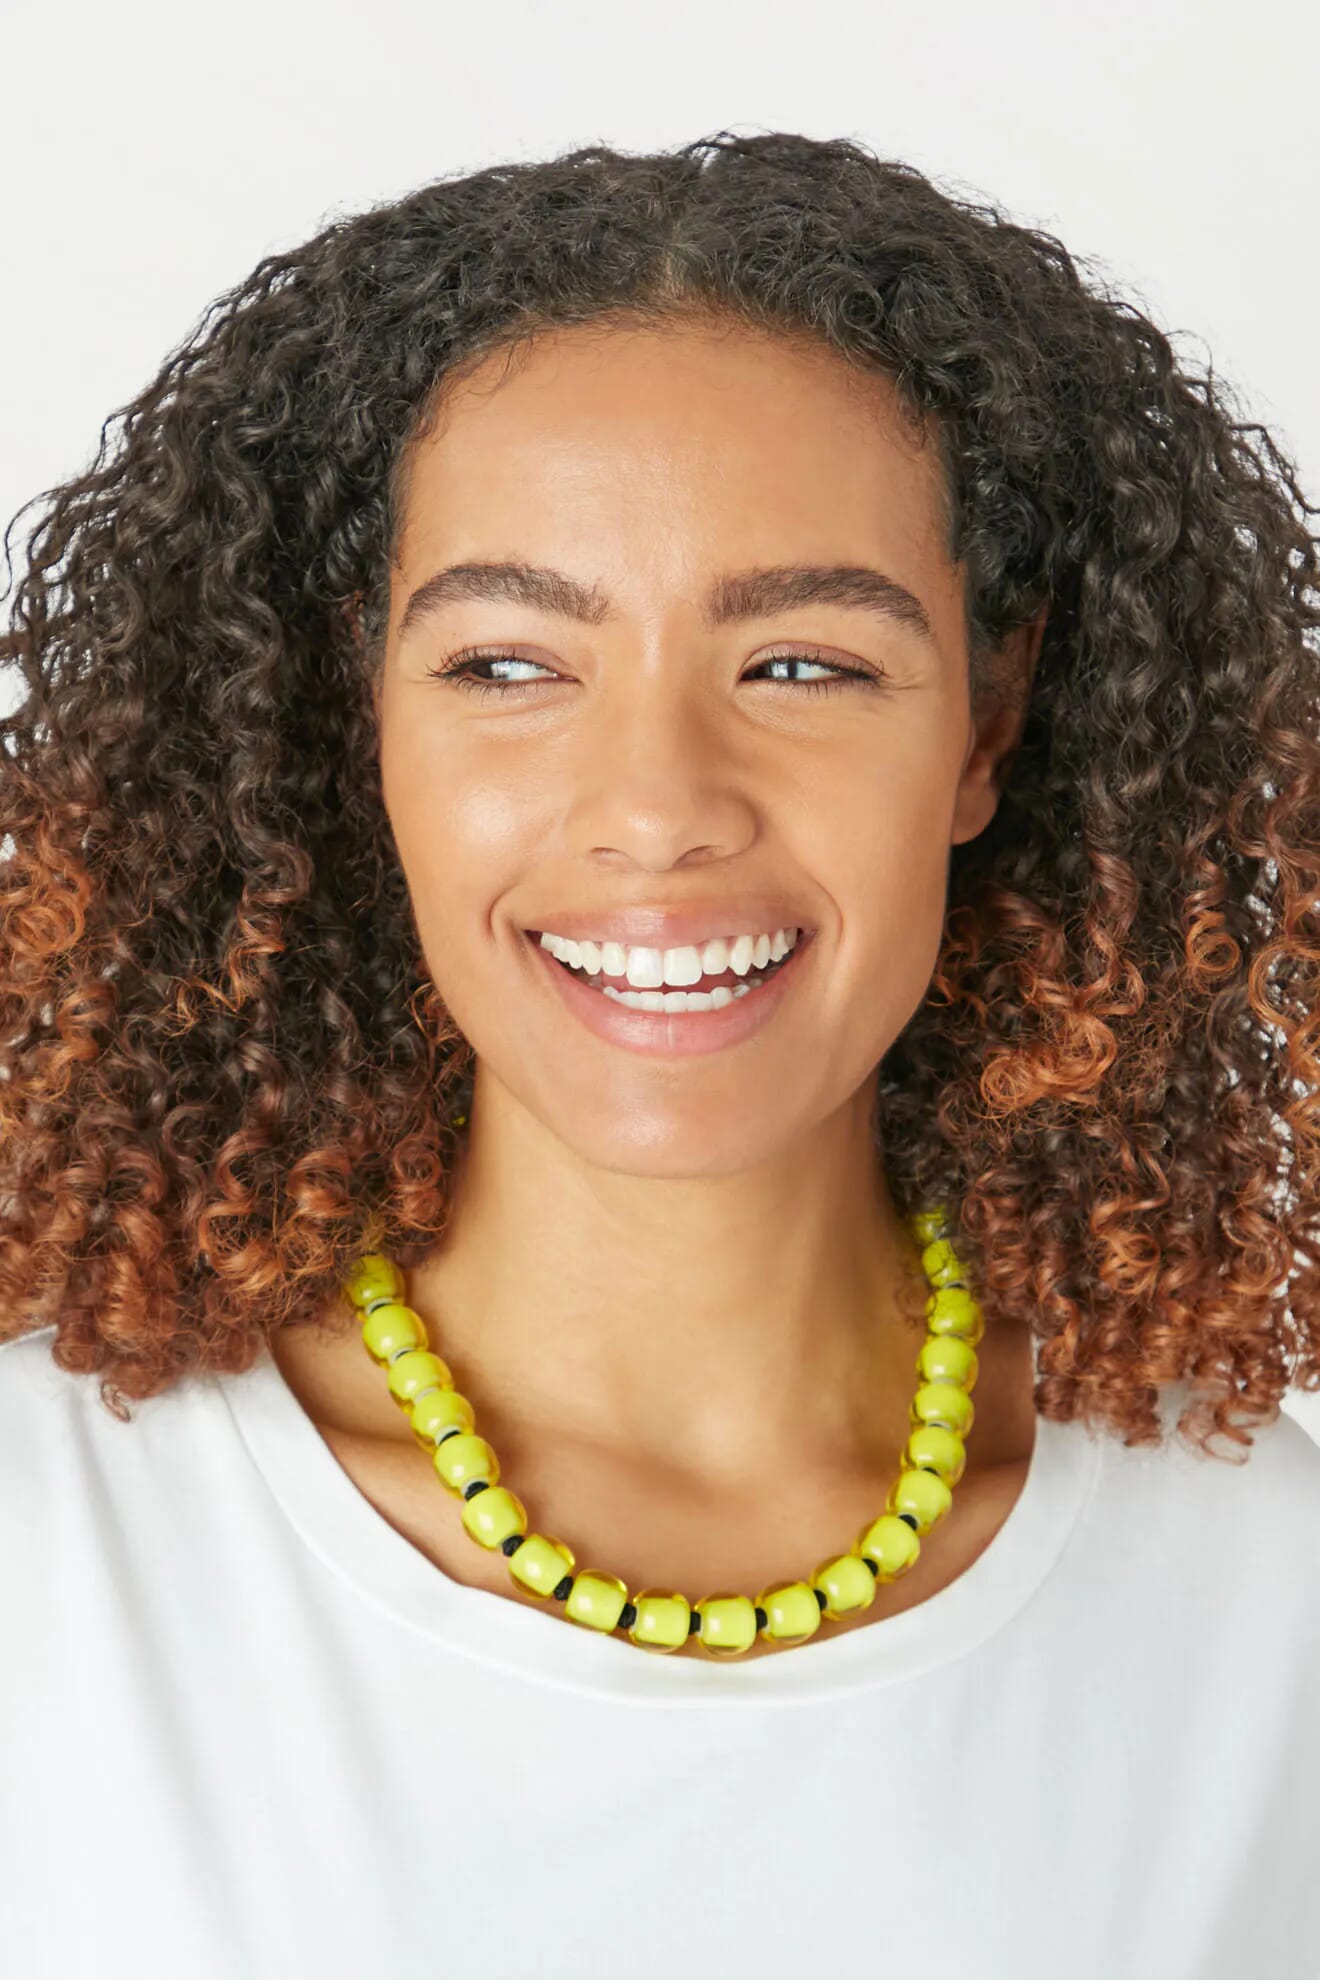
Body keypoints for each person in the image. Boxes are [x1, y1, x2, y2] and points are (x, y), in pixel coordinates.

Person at [0, 129, 1316, 1980]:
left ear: (986, 725)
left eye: (802, 665)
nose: (656, 809)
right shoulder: (51, 1548)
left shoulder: (1270, 1611)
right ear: (353, 726)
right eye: (507, 666)